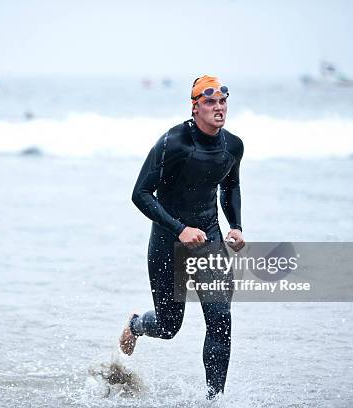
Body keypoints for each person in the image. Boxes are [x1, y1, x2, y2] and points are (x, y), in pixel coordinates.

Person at [118, 75, 246, 399]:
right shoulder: (173, 143)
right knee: (168, 326)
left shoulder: (233, 145)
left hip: (210, 239)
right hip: (167, 242)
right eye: (210, 102)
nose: (219, 108)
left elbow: (230, 185)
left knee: (221, 320)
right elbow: (140, 193)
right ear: (195, 107)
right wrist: (180, 229)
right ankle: (135, 324)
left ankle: (214, 401)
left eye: (222, 102)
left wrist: (236, 226)